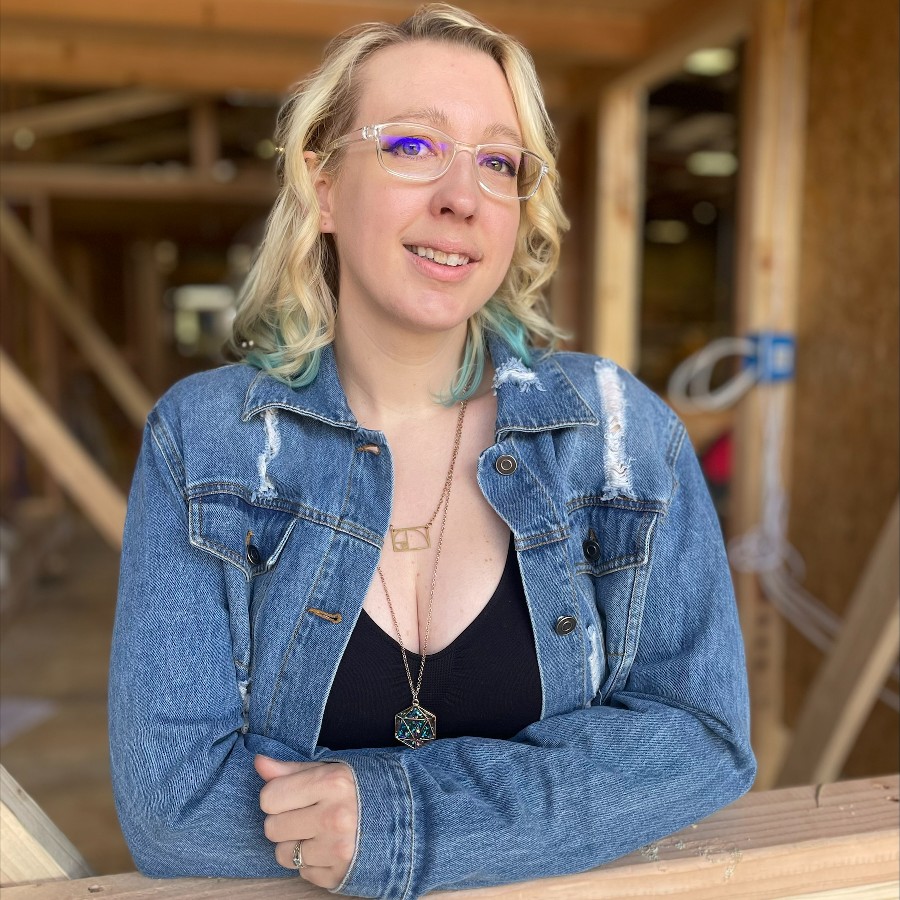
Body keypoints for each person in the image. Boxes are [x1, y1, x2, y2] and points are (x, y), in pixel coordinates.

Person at [108, 4, 756, 897]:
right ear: (323, 184)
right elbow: (172, 808)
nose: (461, 195)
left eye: (498, 162)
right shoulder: (210, 441)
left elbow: (700, 735)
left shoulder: (614, 433)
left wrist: (401, 821)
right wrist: (548, 808)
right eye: (413, 147)